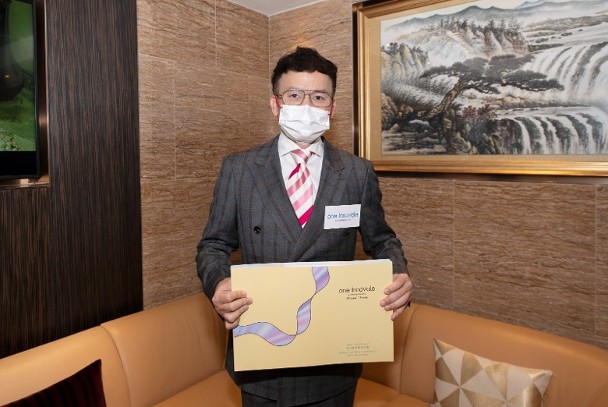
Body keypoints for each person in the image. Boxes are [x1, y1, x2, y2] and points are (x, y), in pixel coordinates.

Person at [196, 46, 412, 407]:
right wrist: (218, 283)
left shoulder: (356, 173)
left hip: (333, 363)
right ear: (275, 104)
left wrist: (398, 272)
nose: (306, 106)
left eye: (318, 97)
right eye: (294, 95)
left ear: (332, 108)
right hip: (262, 360)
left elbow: (382, 240)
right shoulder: (239, 169)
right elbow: (213, 245)